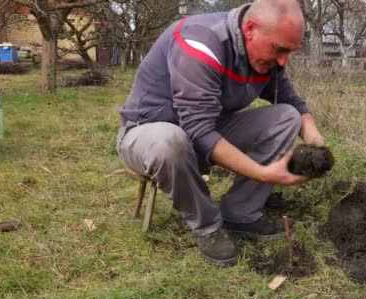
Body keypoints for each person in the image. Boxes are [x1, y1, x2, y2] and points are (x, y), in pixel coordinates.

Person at [116, 0, 324, 267]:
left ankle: (240, 213)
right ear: (250, 29)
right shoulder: (200, 43)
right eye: (280, 49)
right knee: (171, 142)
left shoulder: (265, 55)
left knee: (287, 118)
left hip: (206, 126)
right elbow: (198, 131)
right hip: (146, 132)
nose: (284, 61)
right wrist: (263, 173)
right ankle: (208, 227)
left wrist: (313, 136)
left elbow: (292, 102)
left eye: (290, 51)